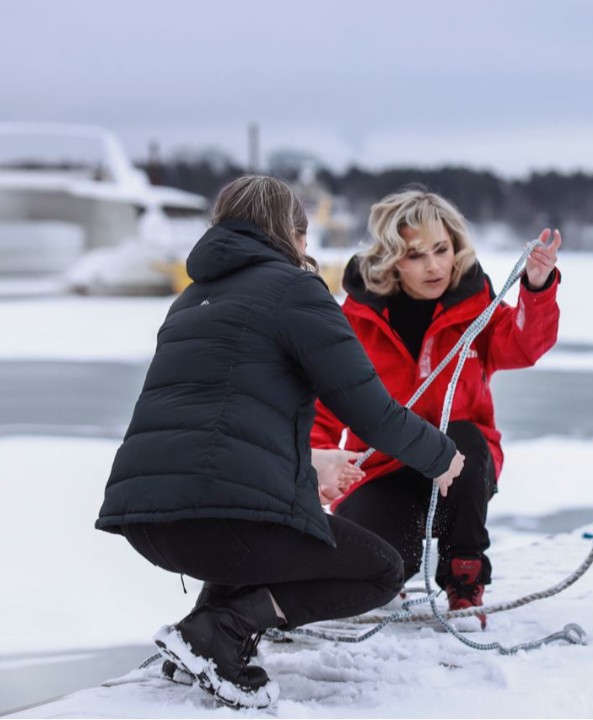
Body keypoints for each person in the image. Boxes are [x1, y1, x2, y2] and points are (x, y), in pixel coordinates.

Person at [95, 176, 465, 708]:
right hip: (218, 518)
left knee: (261, 534)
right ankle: (220, 633)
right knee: (379, 570)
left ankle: (195, 641)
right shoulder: (294, 290)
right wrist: (441, 455)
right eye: (304, 232)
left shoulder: (192, 300)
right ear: (291, 232)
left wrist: (309, 464)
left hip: (147, 519)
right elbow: (372, 412)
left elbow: (221, 423)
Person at [311, 188, 561, 629]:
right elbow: (323, 406)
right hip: (383, 471)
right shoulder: (356, 322)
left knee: (462, 438)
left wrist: (536, 289)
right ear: (392, 259)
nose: (434, 266)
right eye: (415, 255)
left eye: (441, 250)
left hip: (462, 470)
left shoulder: (476, 308)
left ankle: (465, 583)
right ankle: (387, 581)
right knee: (376, 561)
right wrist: (317, 467)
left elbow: (524, 345)